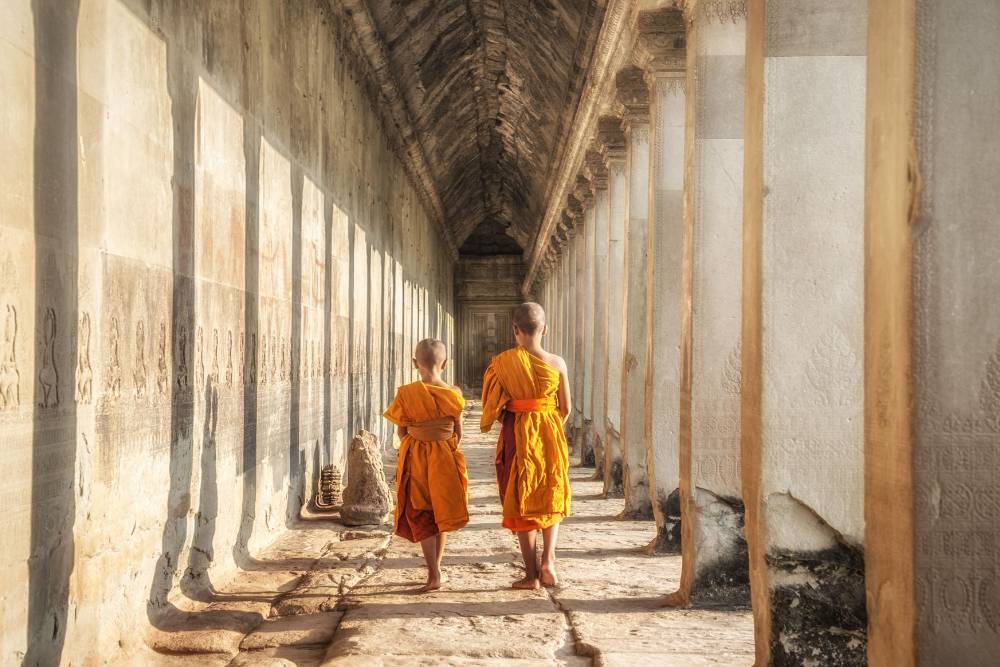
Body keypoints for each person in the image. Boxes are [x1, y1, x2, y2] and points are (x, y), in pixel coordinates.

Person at [481, 302, 572, 589]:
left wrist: (519, 418)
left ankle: (531, 574)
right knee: (550, 491)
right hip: (550, 433)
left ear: (515, 331)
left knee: (520, 496)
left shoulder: (502, 364)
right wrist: (547, 425)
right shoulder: (557, 363)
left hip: (517, 434)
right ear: (545, 329)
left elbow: (492, 409)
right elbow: (566, 408)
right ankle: (549, 561)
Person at [384, 338, 469, 592]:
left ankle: (433, 572)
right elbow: (458, 432)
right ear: (445, 363)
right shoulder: (454, 394)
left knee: (421, 511)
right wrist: (441, 444)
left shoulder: (407, 394)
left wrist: (418, 443)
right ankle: (438, 568)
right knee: (440, 510)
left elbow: (401, 432)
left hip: (417, 459)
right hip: (444, 458)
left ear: (414, 363)